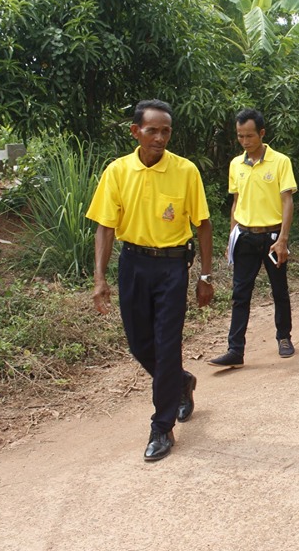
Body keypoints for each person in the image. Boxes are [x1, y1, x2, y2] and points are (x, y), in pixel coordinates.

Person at [87, 99, 213, 462]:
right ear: (136, 132)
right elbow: (105, 227)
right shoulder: (117, 171)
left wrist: (205, 275)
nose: (160, 138)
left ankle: (162, 427)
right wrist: (100, 278)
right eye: (152, 130)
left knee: (166, 342)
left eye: (166, 131)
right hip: (134, 265)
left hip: (172, 267)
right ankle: (181, 382)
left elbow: (203, 224)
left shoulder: (186, 171)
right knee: (140, 344)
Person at [209, 109, 296, 369]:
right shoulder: (236, 164)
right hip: (245, 237)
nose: (245, 141)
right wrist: (231, 236)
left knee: (279, 289)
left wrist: (283, 239)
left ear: (262, 133)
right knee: (240, 294)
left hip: (272, 236)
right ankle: (235, 350)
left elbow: (287, 201)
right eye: (240, 136)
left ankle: (284, 337)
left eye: (249, 136)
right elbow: (236, 202)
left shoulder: (280, 162)